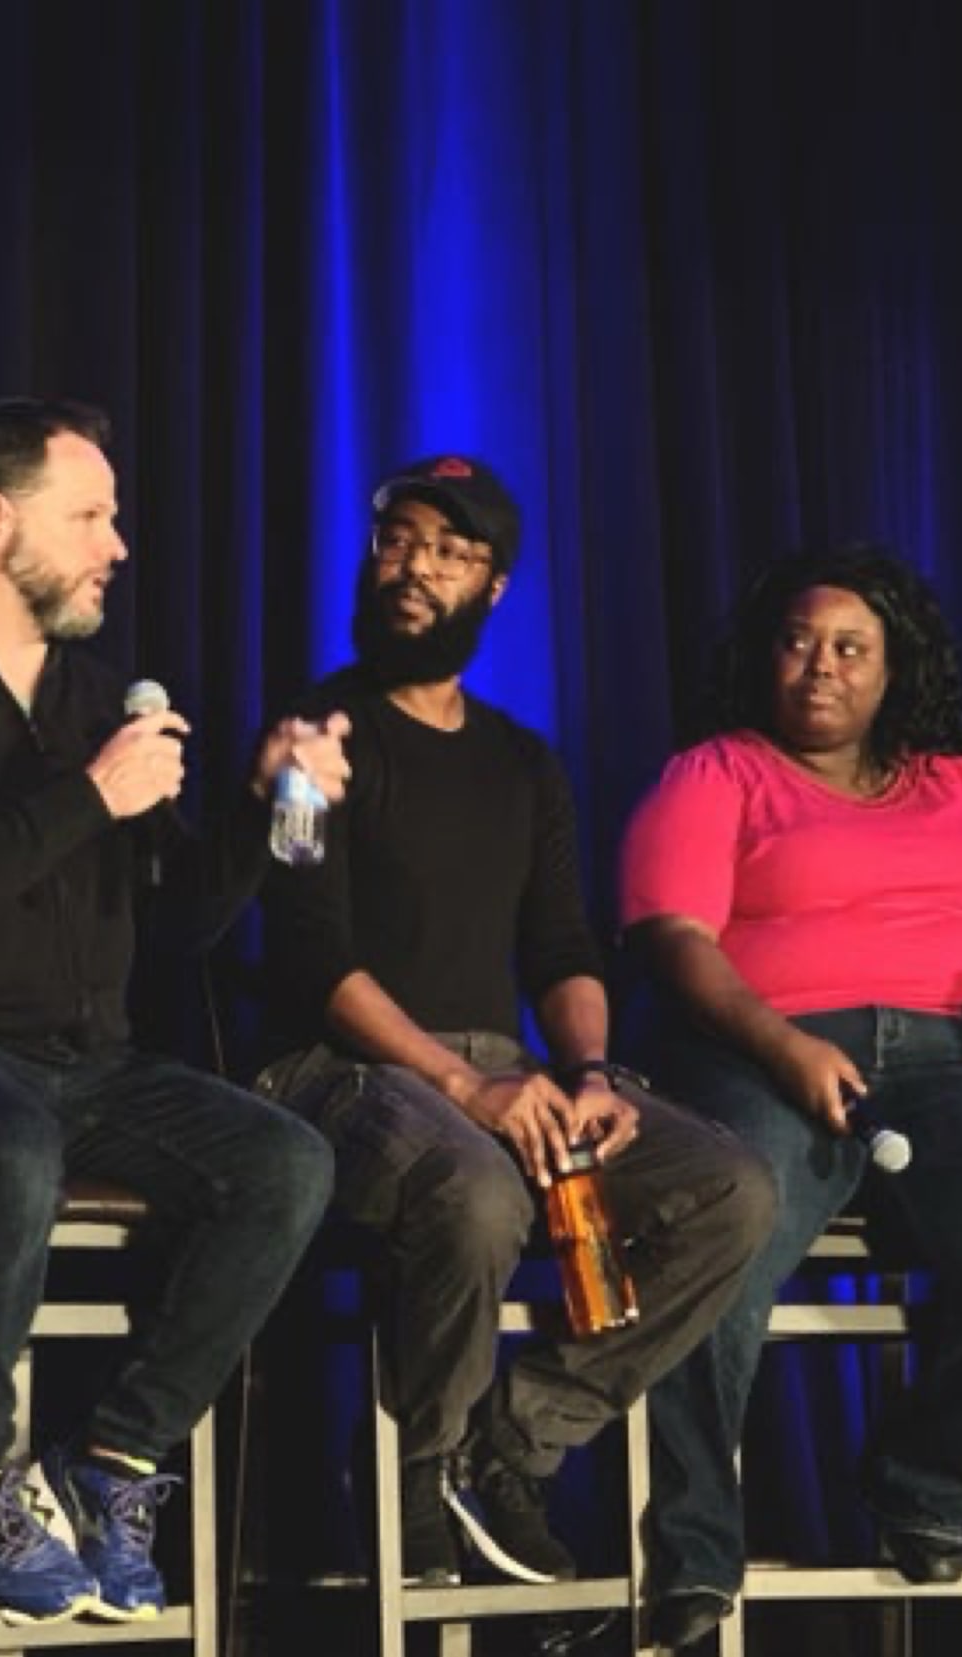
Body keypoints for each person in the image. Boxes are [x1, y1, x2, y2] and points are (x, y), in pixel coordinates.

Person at [0, 396, 347, 1625]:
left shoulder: (99, 696)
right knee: (6, 1140)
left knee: (284, 1161)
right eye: (87, 515)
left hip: (73, 1062)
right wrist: (88, 797)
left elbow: (174, 927)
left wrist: (275, 810)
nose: (117, 544)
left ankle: (112, 1466)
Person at [255, 453, 777, 1587]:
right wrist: (465, 1086)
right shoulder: (313, 735)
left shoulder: (522, 763)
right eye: (399, 540)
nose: (415, 568)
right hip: (336, 1068)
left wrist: (589, 1073)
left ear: (491, 589)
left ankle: (508, 1442)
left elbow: (562, 949)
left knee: (731, 1188)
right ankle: (412, 1464)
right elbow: (309, 956)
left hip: (500, 1072)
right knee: (478, 1189)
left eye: (449, 553)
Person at [616, 542, 962, 1650]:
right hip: (762, 1044)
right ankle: (694, 1540)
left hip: (959, 1051)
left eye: (850, 648)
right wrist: (783, 1049)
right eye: (797, 643)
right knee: (717, 1241)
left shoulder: (961, 786)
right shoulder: (714, 773)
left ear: (891, 669)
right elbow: (674, 942)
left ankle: (923, 1484)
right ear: (762, 657)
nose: (820, 667)